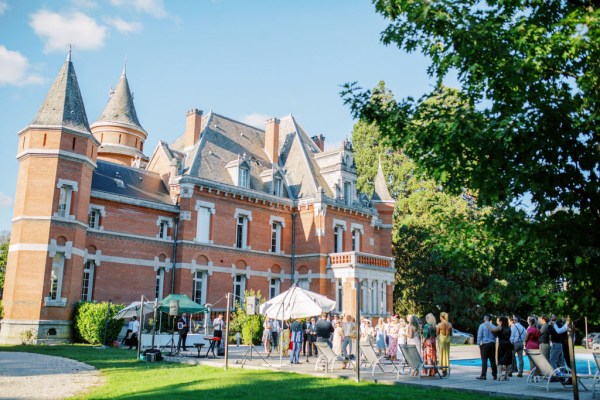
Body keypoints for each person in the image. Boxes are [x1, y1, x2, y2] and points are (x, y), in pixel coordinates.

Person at [485, 316, 512, 381]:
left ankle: (499, 375)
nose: (497, 322)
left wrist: (487, 324)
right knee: (508, 360)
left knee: (500, 359)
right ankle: (506, 375)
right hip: (508, 343)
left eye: (498, 321)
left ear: (501, 321)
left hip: (502, 344)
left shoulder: (500, 327)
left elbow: (493, 330)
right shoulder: (508, 328)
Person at [476, 314, 497, 380]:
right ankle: (495, 375)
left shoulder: (482, 326)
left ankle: (483, 375)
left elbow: (479, 335)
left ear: (485, 319)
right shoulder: (493, 326)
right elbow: (495, 336)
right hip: (492, 344)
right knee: (492, 360)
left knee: (484, 360)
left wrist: (479, 344)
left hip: (485, 344)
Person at [437, 312, 452, 377]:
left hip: (442, 340)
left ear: (441, 317)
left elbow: (437, 333)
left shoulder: (440, 325)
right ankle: (446, 369)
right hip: (447, 340)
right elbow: (451, 334)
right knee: (446, 354)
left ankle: (443, 369)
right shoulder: (449, 324)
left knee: (442, 355)